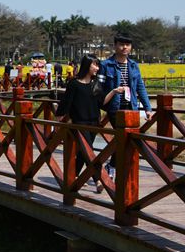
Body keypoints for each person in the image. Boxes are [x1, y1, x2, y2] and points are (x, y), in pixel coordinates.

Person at [99, 33, 153, 177]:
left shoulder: (134, 65)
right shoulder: (105, 65)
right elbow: (99, 88)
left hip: (131, 107)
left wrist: (147, 108)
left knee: (127, 139)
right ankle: (113, 166)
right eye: (121, 44)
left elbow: (140, 87)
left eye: (127, 45)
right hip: (114, 108)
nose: (125, 47)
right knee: (123, 137)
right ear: (115, 46)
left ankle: (113, 165)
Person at [55, 54, 106, 192]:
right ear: (86, 65)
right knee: (89, 152)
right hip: (80, 123)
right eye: (94, 64)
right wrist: (59, 115)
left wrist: (113, 92)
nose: (97, 68)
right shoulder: (74, 84)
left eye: (97, 65)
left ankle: (75, 175)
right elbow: (67, 101)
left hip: (94, 122)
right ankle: (98, 180)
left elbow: (102, 103)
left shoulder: (96, 84)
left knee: (84, 152)